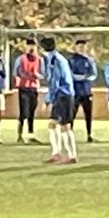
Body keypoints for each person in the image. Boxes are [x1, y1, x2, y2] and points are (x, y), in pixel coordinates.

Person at [40, 36, 77, 164]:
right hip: (63, 95)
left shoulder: (55, 61)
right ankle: (56, 153)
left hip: (63, 96)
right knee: (52, 123)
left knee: (64, 126)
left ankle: (72, 155)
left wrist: (48, 101)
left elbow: (54, 82)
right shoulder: (58, 58)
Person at [68, 39, 99, 143]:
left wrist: (87, 78)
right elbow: (70, 75)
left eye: (83, 46)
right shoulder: (72, 60)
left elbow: (94, 75)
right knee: (72, 113)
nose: (81, 48)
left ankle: (89, 134)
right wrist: (81, 77)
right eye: (79, 46)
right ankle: (68, 133)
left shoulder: (90, 60)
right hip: (75, 92)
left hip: (87, 92)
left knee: (88, 114)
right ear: (76, 48)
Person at [12, 39, 42, 144]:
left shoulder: (39, 59)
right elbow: (16, 72)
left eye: (33, 46)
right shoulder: (21, 59)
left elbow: (43, 73)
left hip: (34, 88)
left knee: (32, 112)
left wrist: (38, 76)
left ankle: (31, 134)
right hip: (24, 88)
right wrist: (25, 76)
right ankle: (19, 135)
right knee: (24, 112)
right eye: (29, 45)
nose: (31, 48)